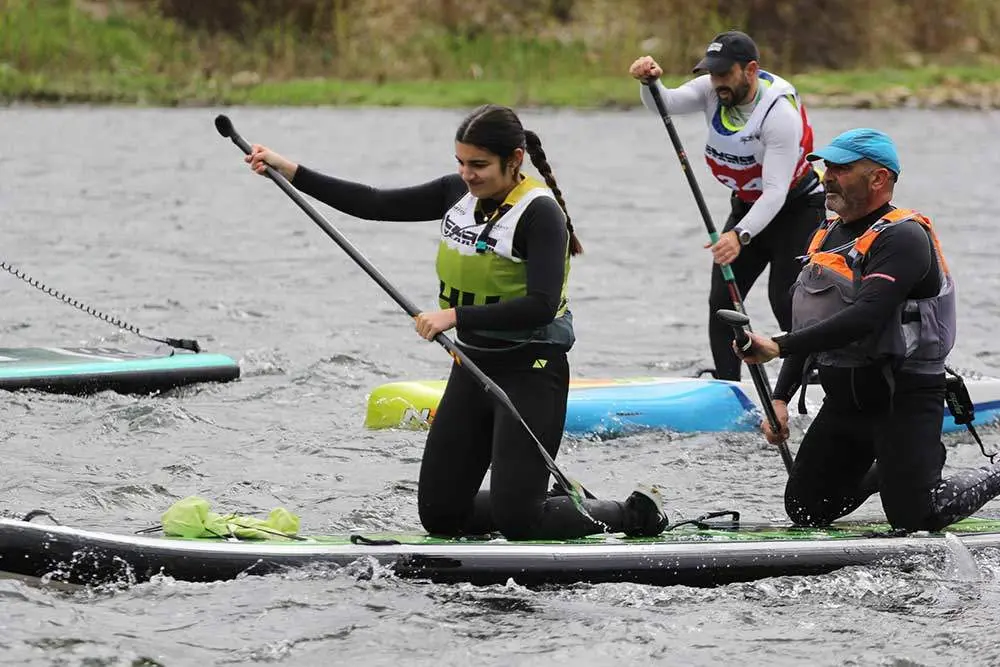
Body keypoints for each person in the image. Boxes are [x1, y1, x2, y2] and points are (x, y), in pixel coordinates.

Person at [245, 104, 667, 540]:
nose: (468, 174)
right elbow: (371, 203)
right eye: (461, 163)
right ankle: (541, 500)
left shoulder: (542, 215)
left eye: (479, 165)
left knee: (519, 523)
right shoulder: (456, 194)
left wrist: (455, 315)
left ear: (515, 160)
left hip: (531, 371)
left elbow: (541, 305)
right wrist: (288, 169)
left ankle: (629, 513)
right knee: (442, 516)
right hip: (473, 366)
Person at [735, 127, 1000, 532]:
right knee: (806, 511)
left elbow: (866, 316)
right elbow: (810, 321)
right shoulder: (826, 233)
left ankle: (984, 474)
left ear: (879, 178)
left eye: (842, 168)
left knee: (916, 518)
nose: (827, 176)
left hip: (902, 399)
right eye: (827, 168)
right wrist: (781, 397)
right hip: (845, 401)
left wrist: (777, 346)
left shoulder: (905, 237)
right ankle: (889, 474)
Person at [629, 31, 826, 381]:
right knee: (722, 301)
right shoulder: (711, 89)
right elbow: (666, 104)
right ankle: (726, 384)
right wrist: (650, 83)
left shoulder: (779, 114)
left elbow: (777, 191)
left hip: (797, 209)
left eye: (724, 74)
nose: (716, 82)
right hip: (748, 207)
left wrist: (739, 234)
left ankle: (814, 374)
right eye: (712, 73)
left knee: (783, 298)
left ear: (750, 70)